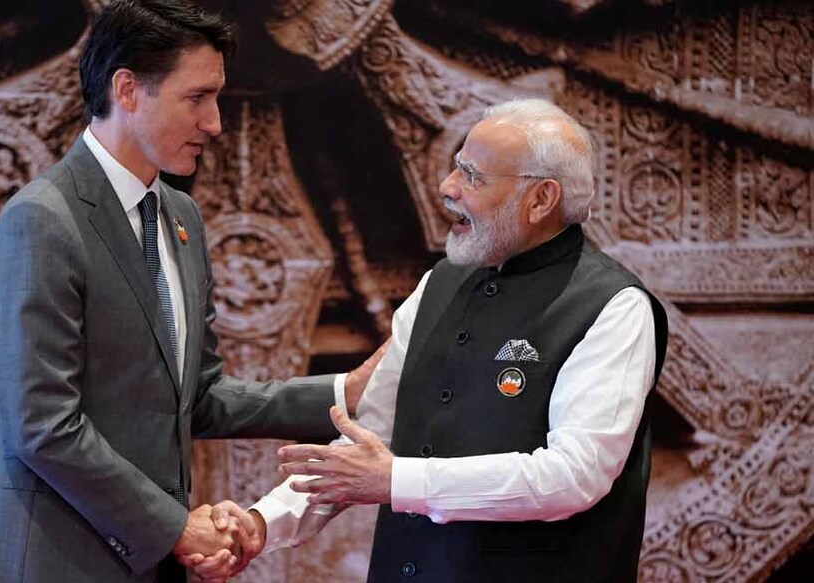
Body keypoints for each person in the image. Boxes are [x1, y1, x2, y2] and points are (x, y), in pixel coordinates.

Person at [0, 1, 378, 581]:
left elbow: (196, 394)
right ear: (127, 90)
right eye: (196, 98)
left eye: (216, 98)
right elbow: (41, 425)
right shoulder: (42, 220)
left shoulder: (180, 217)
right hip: (48, 559)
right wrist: (175, 526)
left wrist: (342, 391)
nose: (215, 123)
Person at [188, 98, 669, 583]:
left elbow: (574, 477)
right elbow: (369, 439)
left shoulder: (614, 307)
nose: (447, 188)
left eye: (474, 177)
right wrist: (259, 525)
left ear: (541, 200)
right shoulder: (438, 283)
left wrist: (397, 480)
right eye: (456, 168)